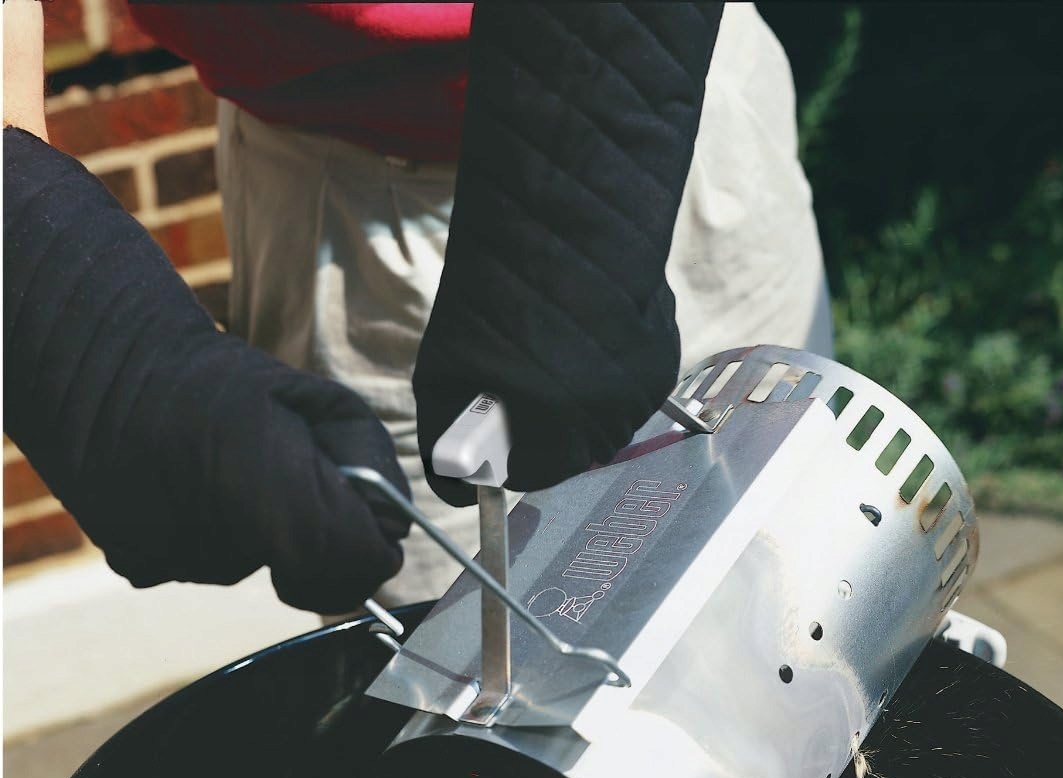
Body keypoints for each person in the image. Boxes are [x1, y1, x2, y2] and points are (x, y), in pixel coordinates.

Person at [5, 1, 831, 614]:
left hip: (670, 106)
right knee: (462, 730)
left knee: (792, 609)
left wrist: (583, 166)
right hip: (356, 200)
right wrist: (78, 322)